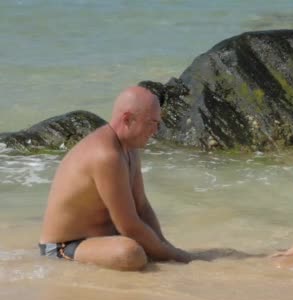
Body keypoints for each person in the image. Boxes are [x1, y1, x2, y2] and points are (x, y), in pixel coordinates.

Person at [39, 86, 191, 271]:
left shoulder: (130, 148)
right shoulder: (106, 155)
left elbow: (142, 206)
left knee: (147, 247)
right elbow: (128, 226)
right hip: (63, 246)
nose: (155, 130)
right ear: (127, 119)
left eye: (157, 124)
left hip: (99, 239)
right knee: (130, 254)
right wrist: (180, 258)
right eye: (151, 123)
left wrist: (166, 247)